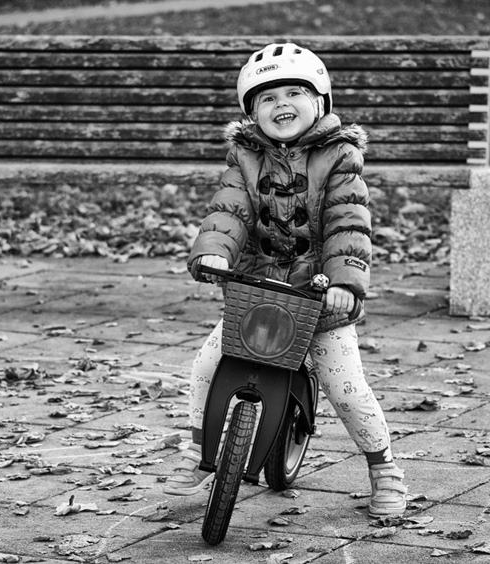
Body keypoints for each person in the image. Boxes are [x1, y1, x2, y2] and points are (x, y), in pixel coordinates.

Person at [162, 42, 407, 518]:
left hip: (319, 297)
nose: (282, 105)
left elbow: (347, 223)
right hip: (256, 294)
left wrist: (344, 284)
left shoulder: (339, 156)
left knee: (346, 387)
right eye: (268, 98)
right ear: (252, 112)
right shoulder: (244, 156)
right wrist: (213, 252)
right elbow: (229, 211)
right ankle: (199, 449)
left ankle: (384, 468)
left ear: (320, 102)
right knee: (206, 365)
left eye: (295, 93)